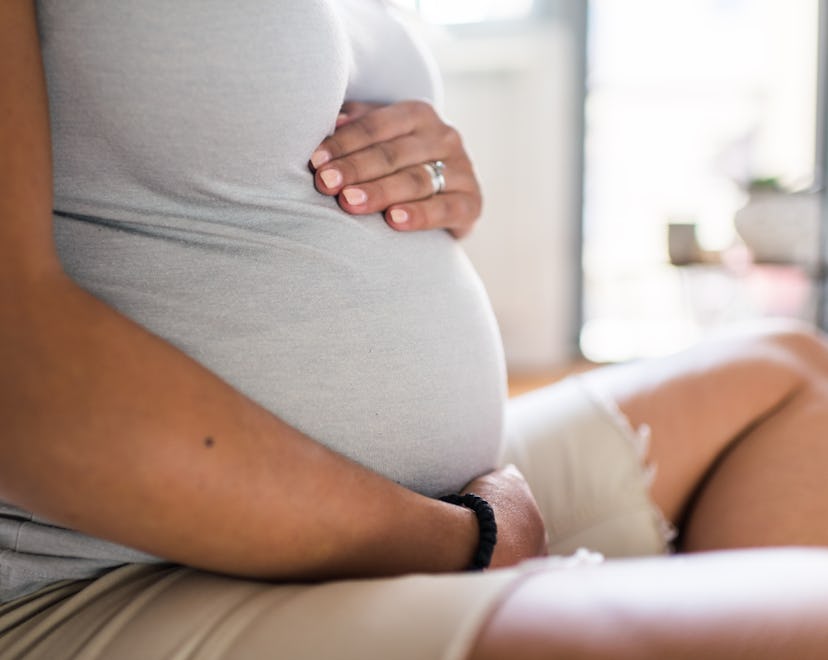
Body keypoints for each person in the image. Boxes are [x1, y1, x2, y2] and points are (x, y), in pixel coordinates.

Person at [2, 1, 828, 658]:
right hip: (97, 569)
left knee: (790, 378)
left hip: (410, 501)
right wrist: (470, 541)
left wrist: (430, 198)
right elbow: (20, 382)